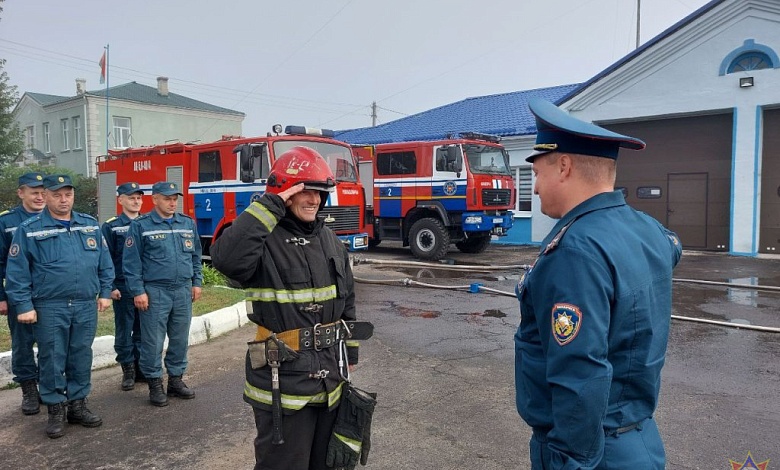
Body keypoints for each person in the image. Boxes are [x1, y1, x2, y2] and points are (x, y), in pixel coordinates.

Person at [514, 98, 683, 469]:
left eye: (537, 174)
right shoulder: (648, 229)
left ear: (563, 166)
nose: (536, 187)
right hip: (639, 439)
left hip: (591, 451)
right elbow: (674, 248)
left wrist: (570, 462)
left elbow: (581, 375)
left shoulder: (575, 250)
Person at [210, 147, 361, 470]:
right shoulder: (263, 240)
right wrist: (270, 205)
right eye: (304, 191)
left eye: (319, 192)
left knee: (330, 463)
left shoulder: (331, 241)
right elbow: (226, 259)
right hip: (284, 383)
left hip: (331, 380)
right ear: (283, 192)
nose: (313, 200)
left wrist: (351, 355)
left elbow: (347, 300)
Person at [6, 174, 114, 439]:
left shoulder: (89, 225)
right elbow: (17, 272)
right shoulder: (29, 228)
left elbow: (105, 262)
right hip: (49, 305)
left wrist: (105, 292)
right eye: (57, 195)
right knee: (52, 358)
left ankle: (77, 405)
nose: (63, 200)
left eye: (68, 194)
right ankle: (55, 409)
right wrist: (23, 305)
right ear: (48, 196)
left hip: (84, 304)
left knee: (80, 355)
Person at [122, 181, 202, 407]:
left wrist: (197, 282)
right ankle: (155, 384)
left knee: (179, 339)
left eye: (175, 199)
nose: (172, 202)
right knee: (153, 341)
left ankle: (175, 380)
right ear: (155, 199)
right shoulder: (141, 226)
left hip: (182, 290)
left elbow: (196, 255)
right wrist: (138, 291)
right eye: (167, 198)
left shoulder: (187, 223)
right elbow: (131, 262)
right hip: (155, 291)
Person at [0, 172, 46, 415]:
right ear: (21, 193)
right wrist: (1, 296)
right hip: (20, 294)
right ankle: (29, 389)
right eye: (33, 192)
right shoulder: (6, 222)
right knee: (23, 343)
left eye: (42, 192)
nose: (39, 197)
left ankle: (50, 386)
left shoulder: (56, 217)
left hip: (50, 294)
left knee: (52, 342)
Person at [101, 182, 146, 391]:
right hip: (121, 286)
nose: (136, 201)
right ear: (121, 200)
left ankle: (139, 367)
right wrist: (110, 286)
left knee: (142, 328)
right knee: (124, 329)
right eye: (131, 197)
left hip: (143, 286)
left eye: (138, 197)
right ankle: (127, 369)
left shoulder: (147, 223)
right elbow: (105, 258)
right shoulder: (111, 226)